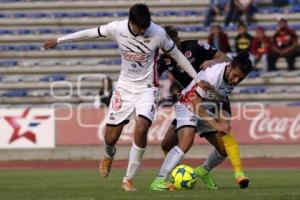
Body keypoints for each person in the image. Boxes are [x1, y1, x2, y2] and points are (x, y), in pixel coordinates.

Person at [42, 3, 209, 192]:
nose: (144, 30)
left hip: (147, 87)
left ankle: (128, 179)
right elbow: (89, 33)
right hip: (124, 87)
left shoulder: (158, 33)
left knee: (142, 127)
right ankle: (108, 154)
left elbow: (178, 56)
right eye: (140, 27)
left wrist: (197, 79)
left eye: (146, 26)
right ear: (131, 22)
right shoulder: (117, 28)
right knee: (111, 137)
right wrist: (59, 40)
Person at [150, 27, 250, 190]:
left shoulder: (196, 47)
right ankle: (161, 179)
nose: (237, 80)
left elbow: (221, 89)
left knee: (224, 148)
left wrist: (224, 120)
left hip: (206, 102)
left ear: (178, 39)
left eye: (240, 78)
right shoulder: (211, 76)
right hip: (189, 101)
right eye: (164, 45)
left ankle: (204, 172)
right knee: (180, 142)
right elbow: (194, 100)